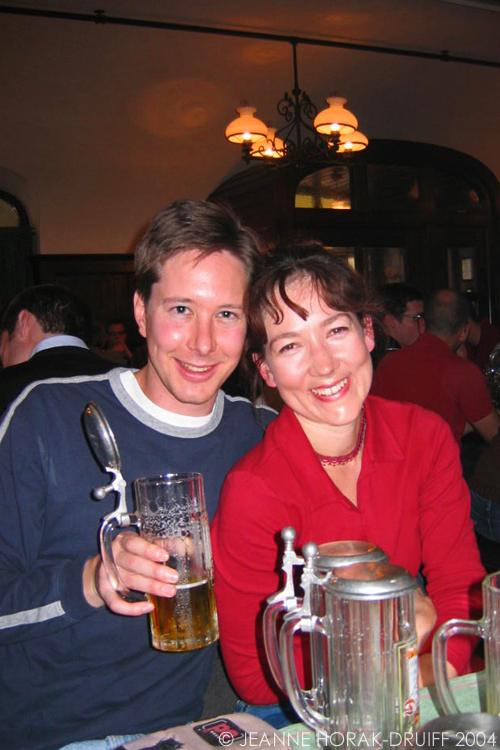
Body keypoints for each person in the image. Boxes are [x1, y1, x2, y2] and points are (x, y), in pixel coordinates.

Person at [0, 200, 275, 750]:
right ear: (141, 312)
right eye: (180, 310)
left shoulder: (262, 435)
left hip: (183, 728)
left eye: (226, 314)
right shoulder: (49, 416)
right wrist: (93, 581)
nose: (202, 343)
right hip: (48, 733)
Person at [211, 244, 485, 722]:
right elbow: (255, 673)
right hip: (299, 706)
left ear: (368, 332)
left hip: (418, 677)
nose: (324, 364)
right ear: (266, 370)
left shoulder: (425, 437)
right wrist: (394, 643)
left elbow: (459, 590)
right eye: (290, 345)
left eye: (336, 329)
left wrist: (422, 673)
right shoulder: (252, 490)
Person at [371, 289, 500, 445]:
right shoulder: (463, 372)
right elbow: (495, 435)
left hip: (393, 464)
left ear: (423, 324)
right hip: (438, 466)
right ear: (464, 332)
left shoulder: (387, 364)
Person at [0, 284, 114, 413]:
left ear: (23, 323)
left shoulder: (7, 387)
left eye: (3, 349)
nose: (4, 363)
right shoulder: (131, 380)